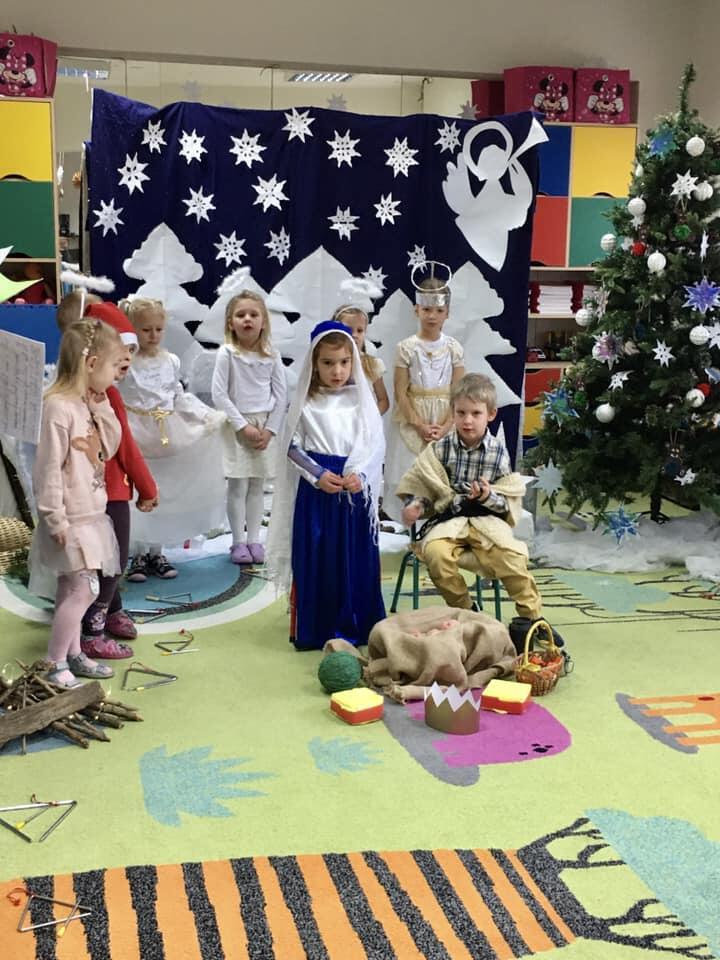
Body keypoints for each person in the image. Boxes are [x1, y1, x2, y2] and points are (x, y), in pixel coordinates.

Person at [397, 373, 562, 642]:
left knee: (513, 557)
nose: (467, 420)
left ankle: (531, 619)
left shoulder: (497, 451)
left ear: (491, 414)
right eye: (461, 413)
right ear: (452, 413)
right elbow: (426, 486)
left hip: (487, 523)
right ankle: (468, 613)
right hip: (449, 521)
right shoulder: (441, 448)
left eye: (475, 413)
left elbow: (507, 498)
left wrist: (487, 496)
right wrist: (415, 504)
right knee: (436, 555)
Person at [266, 320, 386, 651]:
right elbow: (290, 446)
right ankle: (317, 628)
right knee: (319, 558)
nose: (337, 371)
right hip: (318, 491)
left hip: (352, 490)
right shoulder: (305, 401)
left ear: (354, 360)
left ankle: (359, 624)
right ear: (314, 363)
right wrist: (317, 474)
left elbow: (374, 443)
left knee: (354, 558)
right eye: (328, 363)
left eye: (344, 362)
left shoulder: (361, 400)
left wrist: (361, 475)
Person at [28, 318, 124, 688]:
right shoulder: (57, 407)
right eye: (113, 366)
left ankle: (73, 653)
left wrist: (101, 407)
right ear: (91, 363)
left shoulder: (86, 404)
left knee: (74, 589)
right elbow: (48, 469)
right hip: (69, 518)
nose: (115, 375)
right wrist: (54, 518)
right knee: (83, 590)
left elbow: (108, 448)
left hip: (91, 514)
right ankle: (54, 662)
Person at [118, 298, 226, 581]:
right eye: (145, 330)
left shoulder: (170, 361)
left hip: (167, 433)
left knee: (164, 492)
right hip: (135, 434)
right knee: (140, 493)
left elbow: (178, 396)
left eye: (158, 329)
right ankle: (139, 554)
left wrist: (205, 417)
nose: (153, 335)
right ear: (132, 329)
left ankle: (157, 552)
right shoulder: (125, 363)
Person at [80, 302, 159, 657]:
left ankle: (112, 611)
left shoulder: (105, 391)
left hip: (108, 489)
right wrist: (148, 487)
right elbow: (124, 446)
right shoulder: (101, 394)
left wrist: (143, 485)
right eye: (121, 351)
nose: (127, 358)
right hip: (102, 491)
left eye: (131, 350)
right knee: (112, 560)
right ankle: (92, 631)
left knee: (108, 558)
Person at [211, 291, 287, 564]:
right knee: (238, 485)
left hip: (264, 427)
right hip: (237, 427)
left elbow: (281, 396)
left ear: (263, 321)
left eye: (254, 315)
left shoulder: (272, 355)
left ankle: (254, 540)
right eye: (241, 315)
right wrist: (242, 426)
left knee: (257, 485)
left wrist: (270, 430)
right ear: (230, 322)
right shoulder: (227, 353)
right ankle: (237, 542)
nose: (247, 319)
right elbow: (219, 394)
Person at [383, 267, 465, 520]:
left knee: (439, 472)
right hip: (414, 417)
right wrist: (419, 425)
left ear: (447, 313)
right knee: (409, 470)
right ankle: (406, 520)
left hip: (444, 417)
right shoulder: (406, 348)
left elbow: (459, 392)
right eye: (427, 309)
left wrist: (446, 426)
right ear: (416, 310)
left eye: (439, 310)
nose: (432, 316)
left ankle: (437, 518)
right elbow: (400, 391)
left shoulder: (453, 348)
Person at [333, 304, 389, 414]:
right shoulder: (329, 364)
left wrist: (371, 418)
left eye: (360, 330)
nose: (354, 335)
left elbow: (383, 400)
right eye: (349, 330)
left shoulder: (373, 365)